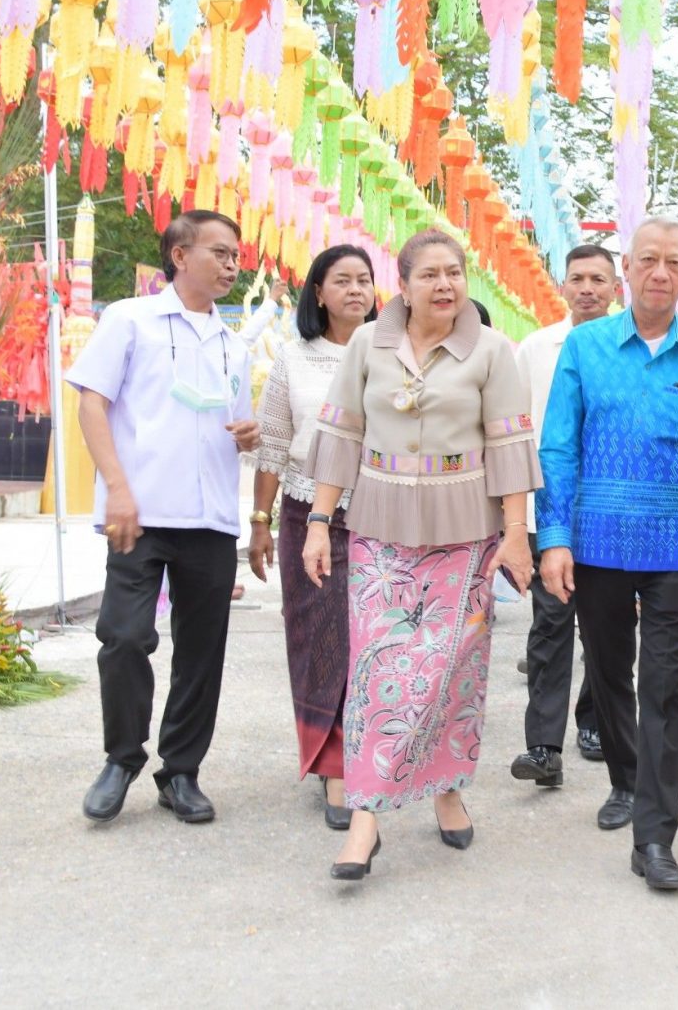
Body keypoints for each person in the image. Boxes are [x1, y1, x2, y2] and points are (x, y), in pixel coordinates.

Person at [303, 229, 540, 881]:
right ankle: (365, 820)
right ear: (402, 285)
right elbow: (341, 436)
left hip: (465, 534)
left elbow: (512, 450)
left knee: (450, 672)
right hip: (379, 529)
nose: (445, 284)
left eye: (455, 272)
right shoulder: (365, 345)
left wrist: (516, 533)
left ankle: (447, 788)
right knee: (383, 673)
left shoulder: (493, 350)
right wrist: (319, 522)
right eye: (430, 273)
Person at [537, 218, 678, 893]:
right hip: (596, 541)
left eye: (674, 262)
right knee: (606, 672)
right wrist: (555, 537)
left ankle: (655, 835)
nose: (660, 271)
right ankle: (626, 779)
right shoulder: (586, 346)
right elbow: (560, 445)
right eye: (648, 259)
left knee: (662, 687)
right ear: (628, 267)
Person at [72, 210, 260, 826]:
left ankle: (181, 771)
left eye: (236, 256)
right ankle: (121, 758)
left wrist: (249, 433)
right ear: (180, 256)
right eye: (220, 253)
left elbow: (233, 424)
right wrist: (117, 492)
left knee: (202, 652)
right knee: (124, 637)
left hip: (210, 518)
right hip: (142, 511)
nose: (232, 265)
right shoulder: (129, 319)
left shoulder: (235, 343)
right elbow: (92, 405)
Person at [246, 244, 377, 831]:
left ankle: (375, 753)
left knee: (372, 639)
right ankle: (332, 764)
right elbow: (274, 444)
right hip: (306, 516)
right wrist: (260, 523)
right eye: (342, 280)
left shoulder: (392, 355)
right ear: (317, 293)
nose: (356, 290)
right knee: (320, 638)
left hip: (380, 515)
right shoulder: (294, 360)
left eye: (365, 280)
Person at [510, 246, 616, 787]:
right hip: (547, 509)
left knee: (606, 625)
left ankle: (594, 722)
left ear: (616, 287)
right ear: (563, 284)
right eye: (578, 278)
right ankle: (543, 745)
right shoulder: (535, 349)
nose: (588, 288)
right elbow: (517, 433)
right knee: (550, 624)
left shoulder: (628, 347)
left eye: (599, 278)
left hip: (611, 513)